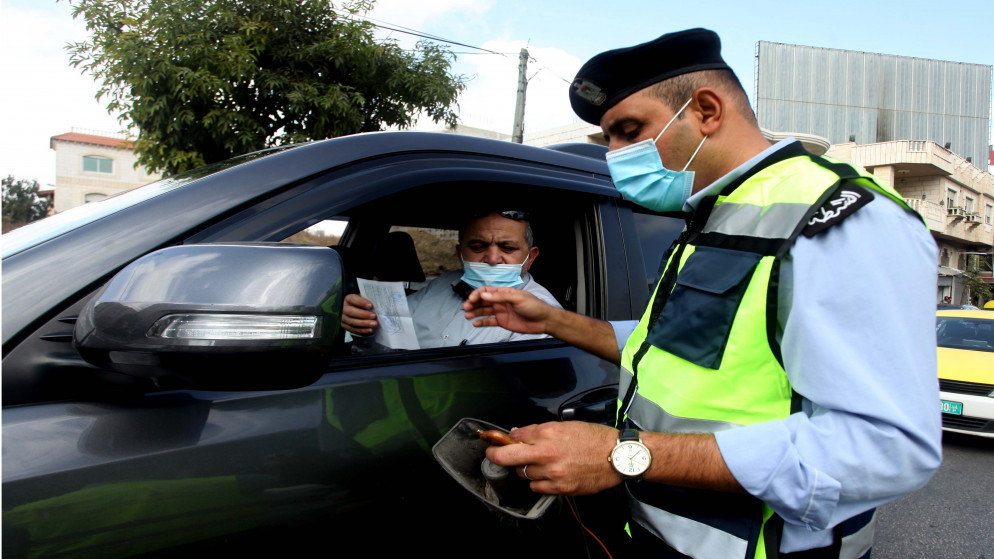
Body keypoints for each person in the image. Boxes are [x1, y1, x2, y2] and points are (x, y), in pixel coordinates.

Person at [465, 29, 941, 558]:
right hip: (658, 534)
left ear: (707, 111)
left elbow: (886, 448)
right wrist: (553, 321)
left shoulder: (839, 219)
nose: (614, 156)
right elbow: (672, 352)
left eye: (628, 131)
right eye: (610, 141)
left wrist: (625, 455)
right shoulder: (712, 216)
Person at [341, 210, 561, 349]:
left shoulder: (542, 316)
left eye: (508, 247)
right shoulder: (441, 285)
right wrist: (360, 322)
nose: (493, 259)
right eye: (478, 247)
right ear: (460, 254)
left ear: (530, 258)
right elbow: (389, 335)